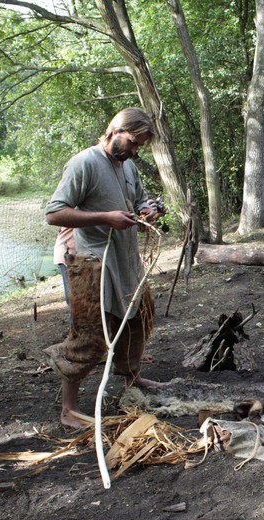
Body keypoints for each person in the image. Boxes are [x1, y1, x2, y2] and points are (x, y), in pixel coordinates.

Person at [43, 107, 168, 428]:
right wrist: (105, 218)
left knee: (134, 320)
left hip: (124, 258)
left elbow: (138, 202)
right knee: (91, 333)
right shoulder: (84, 163)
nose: (135, 151)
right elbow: (54, 213)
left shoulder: (128, 167)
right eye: (133, 142)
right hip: (88, 262)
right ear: (115, 130)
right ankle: (69, 409)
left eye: (140, 146)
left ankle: (132, 382)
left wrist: (149, 211)